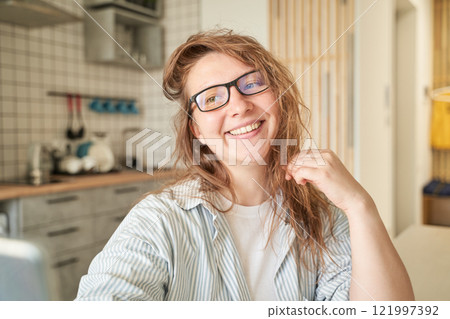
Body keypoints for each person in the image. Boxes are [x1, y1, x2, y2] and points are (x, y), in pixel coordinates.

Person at [75, 29, 414, 301]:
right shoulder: (158, 220)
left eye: (251, 84)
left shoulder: (324, 218)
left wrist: (360, 205)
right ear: (197, 131)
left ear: (278, 99)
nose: (238, 105)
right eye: (211, 98)